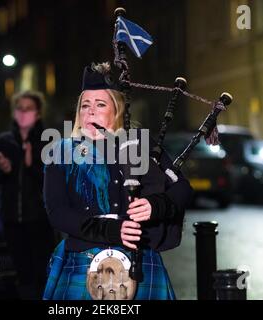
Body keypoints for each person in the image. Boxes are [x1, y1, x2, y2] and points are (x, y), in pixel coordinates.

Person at [42, 62, 193, 300]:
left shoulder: (140, 145)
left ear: (117, 110)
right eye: (85, 105)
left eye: (100, 104)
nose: (90, 112)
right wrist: (111, 230)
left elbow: (182, 189)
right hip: (84, 261)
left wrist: (157, 205)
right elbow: (57, 212)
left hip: (139, 261)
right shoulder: (61, 152)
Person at [0, 90, 55, 299]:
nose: (23, 113)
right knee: (22, 274)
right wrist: (2, 170)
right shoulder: (3, 142)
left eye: (29, 109)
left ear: (38, 113)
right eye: (20, 109)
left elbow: (57, 181)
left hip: (40, 220)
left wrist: (32, 165)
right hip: (12, 220)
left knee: (43, 272)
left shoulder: (48, 140)